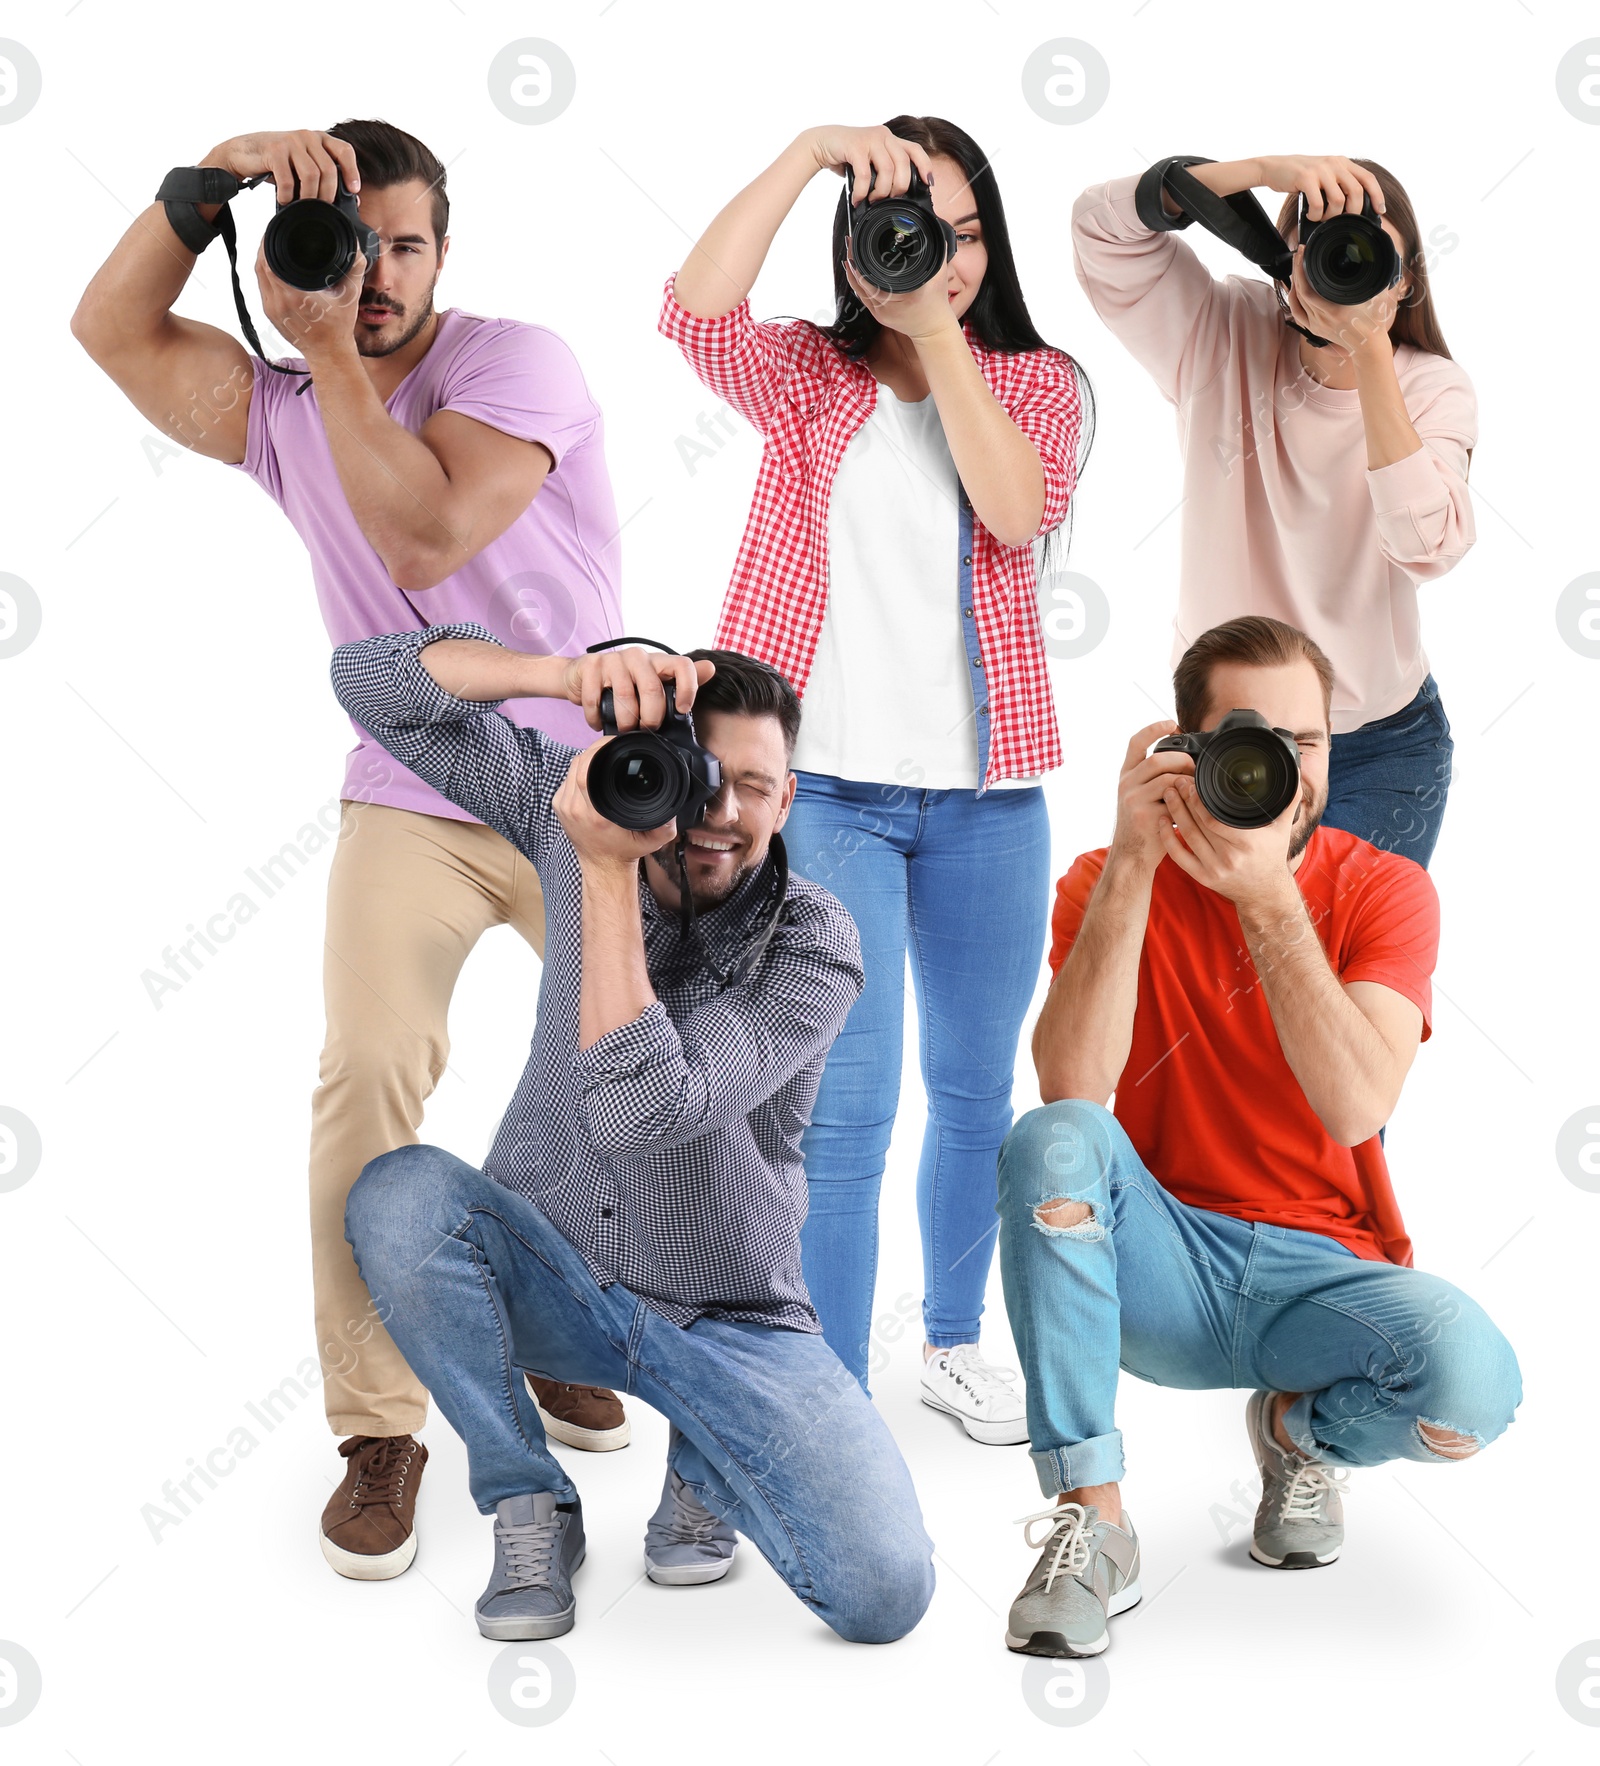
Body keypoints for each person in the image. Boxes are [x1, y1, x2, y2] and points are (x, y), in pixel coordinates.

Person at [70, 118, 632, 1580]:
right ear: (287, 258)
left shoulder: (520, 363)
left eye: (404, 244)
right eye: (345, 245)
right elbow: (107, 325)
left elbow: (431, 533)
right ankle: (380, 1427)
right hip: (414, 778)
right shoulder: (274, 406)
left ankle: (555, 1319)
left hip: (584, 777)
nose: (373, 274)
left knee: (629, 1067)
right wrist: (196, 187)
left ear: (447, 251)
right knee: (369, 1068)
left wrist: (322, 356)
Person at [329, 623, 936, 1645]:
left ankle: (705, 1451)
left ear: (787, 799)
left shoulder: (813, 939)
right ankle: (528, 1498)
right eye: (700, 777)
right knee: (398, 1194)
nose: (721, 813)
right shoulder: (566, 810)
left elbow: (643, 1109)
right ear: (646, 764)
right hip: (553, 1272)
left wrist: (604, 874)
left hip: (730, 1316)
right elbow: (368, 683)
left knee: (885, 1592)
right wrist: (558, 676)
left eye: (756, 784)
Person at [659, 117, 1092, 1439]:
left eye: (960, 234)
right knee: (842, 1109)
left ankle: (956, 1343)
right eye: (906, 233)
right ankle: (827, 1395)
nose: (935, 259)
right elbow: (691, 308)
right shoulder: (801, 375)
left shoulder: (1037, 381)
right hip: (826, 789)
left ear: (989, 243)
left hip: (987, 799)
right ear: (852, 250)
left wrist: (938, 326)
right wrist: (802, 159)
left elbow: (1016, 510)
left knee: (975, 1093)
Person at [997, 615, 1520, 1660]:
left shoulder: (1382, 887)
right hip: (1160, 1267)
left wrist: (1267, 896)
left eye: (1305, 738)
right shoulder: (1107, 877)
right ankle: (1093, 1519)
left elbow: (1356, 1104)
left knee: (1471, 1388)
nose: (1277, 761)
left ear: (1328, 748)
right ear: (1184, 747)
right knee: (1047, 1135)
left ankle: (1296, 1432)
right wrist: (1136, 866)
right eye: (1246, 734)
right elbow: (1073, 1087)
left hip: (1321, 1280)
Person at [1073, 154, 1473, 868]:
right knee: (1231, 965)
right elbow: (1100, 230)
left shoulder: (1432, 387)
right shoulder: (1221, 328)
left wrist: (1371, 356)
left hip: (1379, 744)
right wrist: (1262, 171)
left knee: (1342, 974)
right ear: (1285, 265)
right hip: (1231, 725)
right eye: (1323, 245)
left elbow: (1429, 546)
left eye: (1366, 250)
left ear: (1405, 277)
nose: (1342, 262)